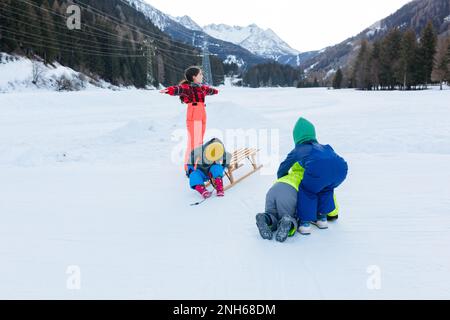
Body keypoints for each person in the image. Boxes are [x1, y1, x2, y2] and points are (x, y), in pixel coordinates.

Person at [277, 117, 348, 235]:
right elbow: (329, 160)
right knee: (326, 189)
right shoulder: (325, 147)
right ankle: (322, 219)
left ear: (297, 137)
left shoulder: (299, 149)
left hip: (320, 170)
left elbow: (284, 166)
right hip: (341, 170)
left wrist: (282, 177)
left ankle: (305, 224)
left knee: (307, 191)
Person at [160, 66, 219, 171]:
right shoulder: (188, 88)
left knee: (199, 141)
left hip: (202, 112)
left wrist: (215, 91)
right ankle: (190, 168)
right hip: (194, 112)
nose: (202, 76)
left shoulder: (201, 87)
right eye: (200, 74)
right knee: (194, 142)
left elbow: (210, 90)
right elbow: (179, 89)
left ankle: (197, 164)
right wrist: (169, 90)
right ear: (194, 77)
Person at [256, 163, 304, 243]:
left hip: (274, 189)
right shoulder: (309, 178)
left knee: (271, 215)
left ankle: (264, 218)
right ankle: (287, 222)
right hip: (290, 192)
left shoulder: (291, 174)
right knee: (291, 217)